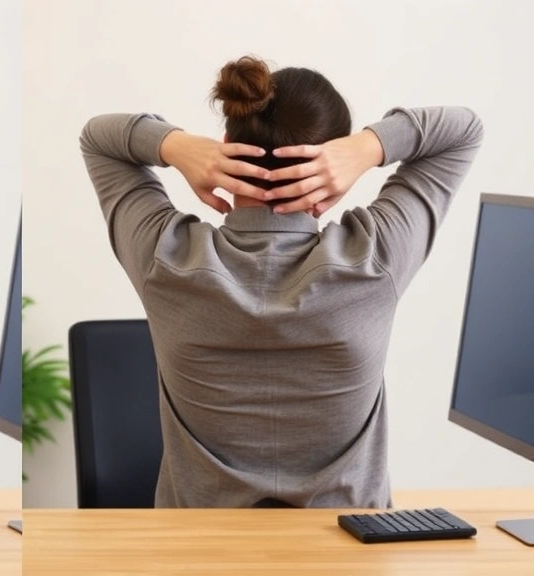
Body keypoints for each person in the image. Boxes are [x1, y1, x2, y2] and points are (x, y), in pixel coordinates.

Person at [79, 55, 483, 508]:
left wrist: (175, 146)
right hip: (348, 552)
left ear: (227, 143)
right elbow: (462, 130)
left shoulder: (165, 256)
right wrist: (369, 148)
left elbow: (98, 137)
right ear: (334, 166)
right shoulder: (374, 258)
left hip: (195, 552)